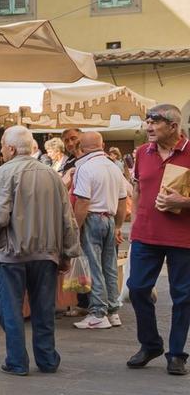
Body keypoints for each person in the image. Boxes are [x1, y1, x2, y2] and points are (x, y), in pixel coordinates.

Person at [0, 125, 81, 376]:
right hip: (46, 253)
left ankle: (17, 361)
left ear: (11, 148)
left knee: (9, 309)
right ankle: (46, 359)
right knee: (44, 308)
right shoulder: (52, 175)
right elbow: (67, 218)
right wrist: (67, 252)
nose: (1, 149)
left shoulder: (4, 173)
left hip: (11, 254)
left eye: (2, 144)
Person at [125, 104, 190, 375]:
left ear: (173, 126)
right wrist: (135, 225)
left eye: (155, 122)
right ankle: (150, 344)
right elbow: (138, 189)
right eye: (147, 121)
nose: (148, 127)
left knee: (183, 297)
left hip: (183, 237)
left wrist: (183, 201)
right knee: (137, 289)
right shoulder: (142, 152)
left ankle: (176, 354)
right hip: (146, 235)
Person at [71, 132, 130, 331]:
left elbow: (82, 202)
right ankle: (113, 311)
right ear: (102, 145)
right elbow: (123, 201)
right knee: (109, 267)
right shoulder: (114, 167)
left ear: (81, 146)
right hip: (110, 219)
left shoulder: (85, 167)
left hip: (92, 218)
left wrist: (74, 228)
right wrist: (119, 226)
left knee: (94, 266)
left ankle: (97, 312)